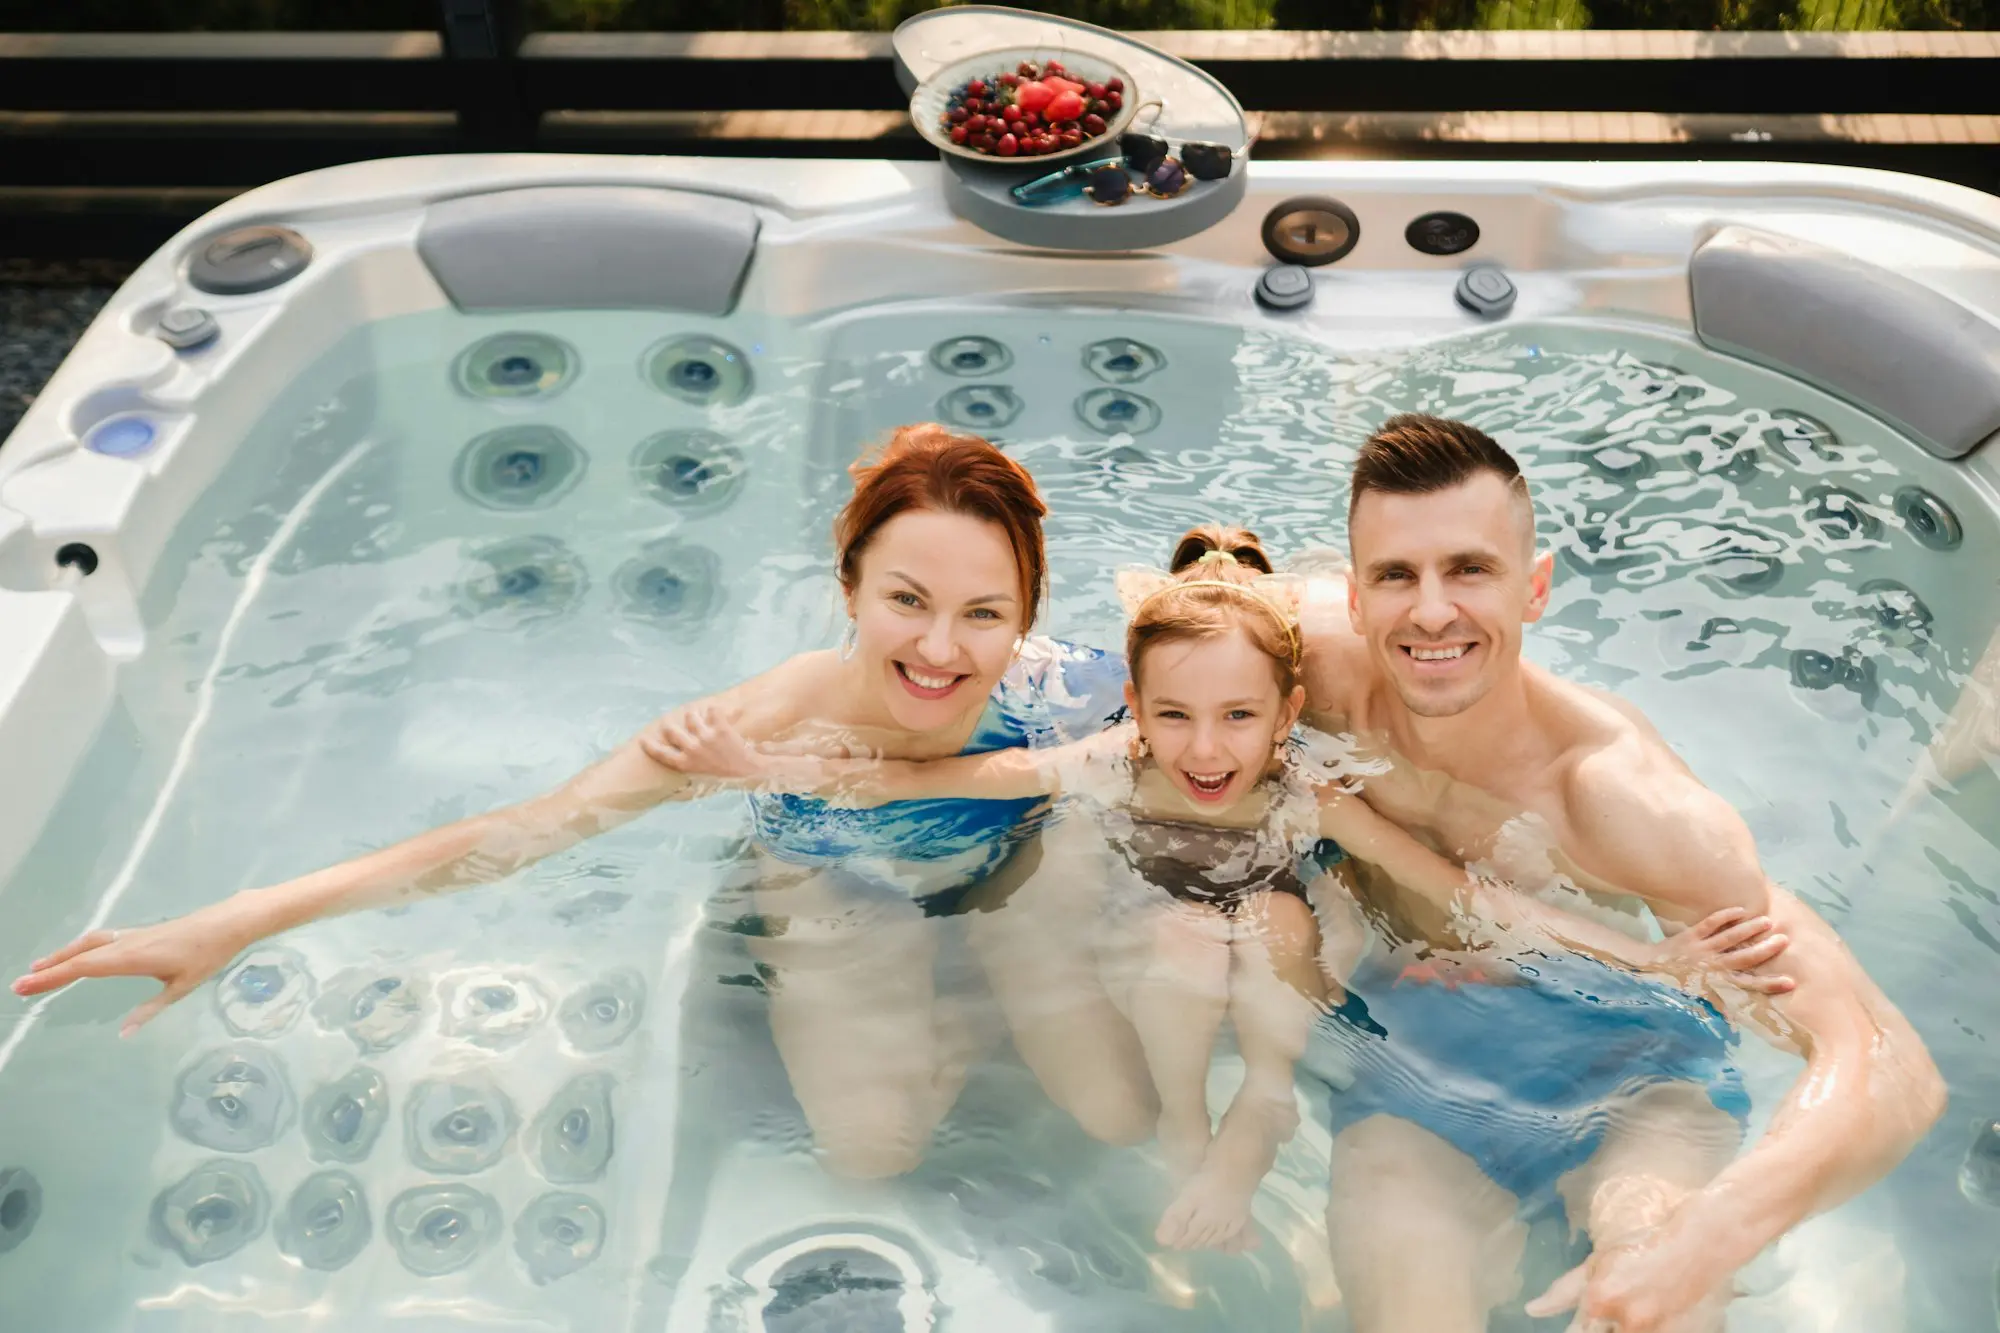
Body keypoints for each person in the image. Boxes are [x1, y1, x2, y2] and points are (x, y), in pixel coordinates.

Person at [11, 423, 1157, 1180]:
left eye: (982, 613)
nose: (940, 647)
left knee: (1119, 1118)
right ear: (847, 585)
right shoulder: (754, 727)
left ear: (1024, 615)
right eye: (906, 598)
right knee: (872, 1150)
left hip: (1011, 866)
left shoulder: (1065, 689)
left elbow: (1226, 724)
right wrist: (241, 917)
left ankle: (982, 983)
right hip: (833, 883)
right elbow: (516, 836)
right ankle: (960, 1000)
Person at [643, 523, 1793, 1255]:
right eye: (1174, 715)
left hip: (1291, 937)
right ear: (1130, 710)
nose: (1205, 747)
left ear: (1286, 717)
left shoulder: (1306, 791)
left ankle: (1264, 1105)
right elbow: (946, 772)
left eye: (1239, 717)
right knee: (1186, 938)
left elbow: (1466, 892)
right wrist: (772, 762)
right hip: (1173, 942)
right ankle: (1197, 1121)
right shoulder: (1103, 761)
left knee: (1271, 912)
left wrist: (1651, 957)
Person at [1294, 413, 1947, 1333]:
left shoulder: (1625, 804)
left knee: (1658, 1302)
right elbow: (1162, 640)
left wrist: (1703, 1237)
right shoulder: (1316, 671)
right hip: (1415, 1067)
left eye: (1471, 569)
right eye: (1396, 574)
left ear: (1537, 587)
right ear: (1353, 599)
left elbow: (1889, 1069)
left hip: (1630, 1078)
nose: (1431, 610)